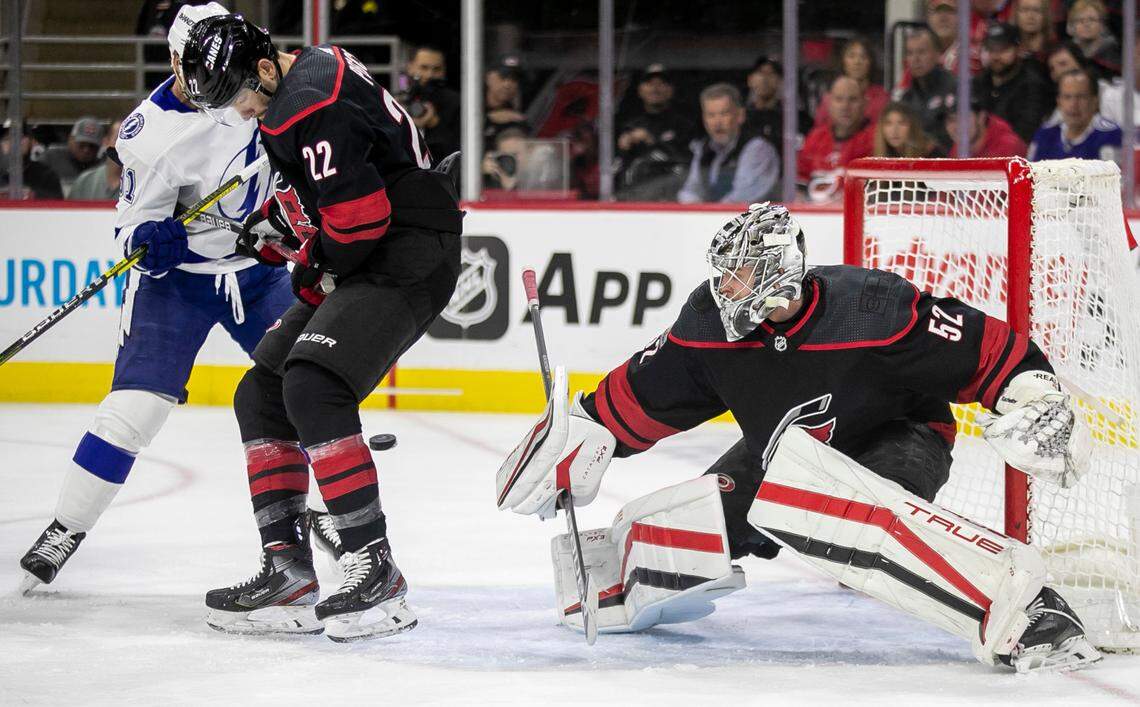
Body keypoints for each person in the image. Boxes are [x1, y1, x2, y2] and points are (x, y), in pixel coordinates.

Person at [496, 202, 1101, 675]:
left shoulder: (871, 310)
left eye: (740, 275)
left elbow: (988, 349)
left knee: (828, 509)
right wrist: (581, 436)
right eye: (724, 275)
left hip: (898, 437)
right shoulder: (710, 325)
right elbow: (644, 393)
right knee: (696, 519)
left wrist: (1037, 396)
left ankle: (1029, 609)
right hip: (785, 452)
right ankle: (613, 576)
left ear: (778, 270)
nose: (725, 288)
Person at [179, 13, 462, 641]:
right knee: (262, 391)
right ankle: (289, 571)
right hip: (379, 247)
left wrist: (308, 261)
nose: (243, 111)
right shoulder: (308, 73)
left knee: (313, 385)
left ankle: (374, 565)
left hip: (409, 250)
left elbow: (357, 223)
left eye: (239, 96)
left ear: (262, 68)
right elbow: (330, 199)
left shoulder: (307, 103)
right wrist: (285, 236)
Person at [17, 3, 294, 593]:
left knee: (308, 383)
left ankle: (324, 520)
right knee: (135, 409)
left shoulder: (262, 75)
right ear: (173, 60)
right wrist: (148, 236)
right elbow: (130, 226)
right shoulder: (149, 133)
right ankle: (67, 526)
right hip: (181, 285)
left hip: (261, 269)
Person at [677, 83, 778, 204]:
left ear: (740, 115)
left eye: (724, 114)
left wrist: (708, 214)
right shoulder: (703, 148)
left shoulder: (757, 148)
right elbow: (692, 189)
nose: (717, 122)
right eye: (711, 115)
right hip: (712, 219)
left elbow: (743, 196)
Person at [614, 64, 696, 201]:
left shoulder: (684, 124)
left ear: (671, 90)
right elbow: (617, 167)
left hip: (671, 195)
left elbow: (688, 163)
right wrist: (622, 148)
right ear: (640, 90)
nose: (655, 88)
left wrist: (651, 141)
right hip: (634, 196)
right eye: (649, 83)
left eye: (661, 83)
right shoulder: (629, 125)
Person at [972, 22, 1053, 145]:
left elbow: (1024, 135)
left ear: (1018, 49)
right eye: (991, 49)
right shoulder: (979, 82)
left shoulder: (1032, 86)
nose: (996, 56)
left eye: (1003, 49)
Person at [798, 76, 876, 203]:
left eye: (853, 99)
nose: (845, 106)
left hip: (859, 217)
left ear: (864, 103)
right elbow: (799, 186)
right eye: (839, 99)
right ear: (829, 103)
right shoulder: (815, 138)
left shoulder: (874, 140)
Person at [1028, 68, 1121, 162]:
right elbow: (1031, 173)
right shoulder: (1045, 135)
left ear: (1095, 101)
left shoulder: (1111, 135)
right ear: (1059, 101)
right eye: (1067, 97)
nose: (1073, 104)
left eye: (1081, 97)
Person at [894, 26, 958, 148]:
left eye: (922, 52)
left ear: (938, 54)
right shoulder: (906, 97)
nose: (915, 59)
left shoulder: (955, 88)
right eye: (910, 53)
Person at [812, 38, 889, 130]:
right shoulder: (829, 99)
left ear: (870, 62)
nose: (857, 62)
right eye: (851, 56)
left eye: (863, 57)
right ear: (843, 61)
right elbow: (819, 131)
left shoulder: (882, 98)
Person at [399, 44, 460, 160]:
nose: (429, 75)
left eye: (436, 69)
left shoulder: (456, 103)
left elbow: (458, 152)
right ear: (410, 67)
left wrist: (434, 124)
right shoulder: (399, 100)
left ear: (444, 70)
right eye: (424, 68)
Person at [743, 56, 811, 158]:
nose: (765, 78)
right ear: (750, 80)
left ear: (780, 81)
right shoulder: (741, 117)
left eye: (771, 73)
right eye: (760, 73)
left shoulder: (795, 117)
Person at [39, 117, 106, 195]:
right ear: (70, 139)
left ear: (100, 146)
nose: (86, 150)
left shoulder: (102, 168)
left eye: (92, 146)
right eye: (82, 144)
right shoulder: (51, 157)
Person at [945, 94, 1027, 157]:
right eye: (951, 120)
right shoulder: (960, 145)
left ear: (981, 117)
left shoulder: (1007, 147)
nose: (956, 126)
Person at [0, 121, 64, 199]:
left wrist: (33, 195)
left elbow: (58, 204)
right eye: (7, 139)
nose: (14, 142)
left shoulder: (45, 174)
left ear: (32, 141)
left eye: (20, 137)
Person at [68, 120, 123, 201]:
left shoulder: (143, 183)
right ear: (106, 142)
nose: (125, 146)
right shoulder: (85, 181)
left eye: (131, 141)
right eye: (119, 139)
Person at [1067, 0, 1121, 78]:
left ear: (1102, 25)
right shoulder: (1069, 53)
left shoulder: (1112, 56)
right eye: (1081, 20)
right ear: (1073, 26)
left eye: (1092, 19)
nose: (1086, 24)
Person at [484, 56, 528, 152]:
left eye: (514, 79)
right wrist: (487, 119)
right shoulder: (468, 107)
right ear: (488, 78)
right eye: (502, 77)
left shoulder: (516, 118)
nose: (508, 84)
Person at [874, 102, 945, 157]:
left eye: (902, 123)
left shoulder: (931, 154)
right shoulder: (882, 155)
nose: (894, 131)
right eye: (888, 124)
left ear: (912, 126)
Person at [1013, 0, 1055, 67]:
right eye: (1025, 10)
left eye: (1037, 10)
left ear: (1046, 15)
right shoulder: (1010, 53)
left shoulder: (1055, 52)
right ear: (1016, 14)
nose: (1030, 16)